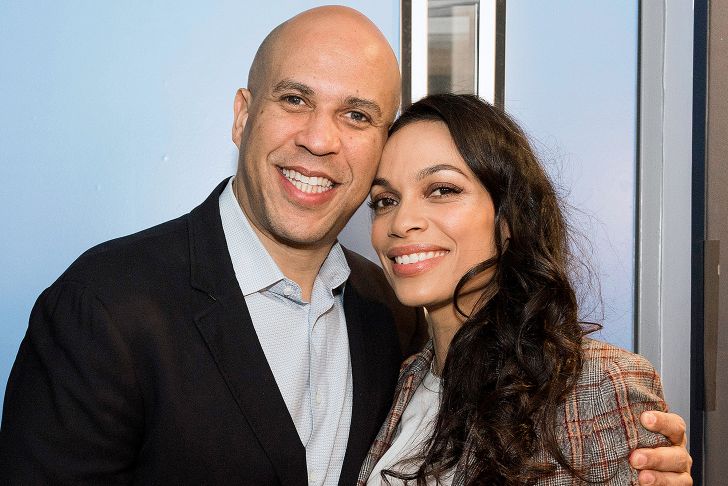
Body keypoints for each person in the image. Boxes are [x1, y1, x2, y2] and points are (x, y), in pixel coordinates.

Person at [0, 6, 689, 486]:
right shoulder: (103, 306)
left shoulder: (388, 313)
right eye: (294, 99)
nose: (321, 139)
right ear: (243, 115)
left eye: (356, 115)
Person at [359, 93, 690, 485]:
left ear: (509, 216)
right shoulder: (408, 378)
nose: (402, 221)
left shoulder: (597, 385)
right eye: (385, 200)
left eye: (442, 190)